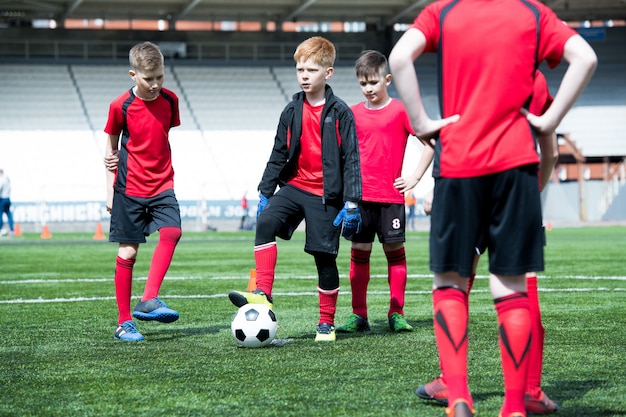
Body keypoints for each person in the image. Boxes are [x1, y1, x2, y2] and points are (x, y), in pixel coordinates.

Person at [389, 1, 597, 416]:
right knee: (513, 289)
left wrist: (423, 121)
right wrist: (549, 118)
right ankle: (516, 406)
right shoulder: (532, 13)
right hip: (516, 167)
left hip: (461, 163)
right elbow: (585, 57)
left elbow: (398, 57)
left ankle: (459, 396)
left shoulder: (444, 12)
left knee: (450, 282)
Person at [411, 71, 561, 415]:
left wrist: (438, 187)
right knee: (521, 289)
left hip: (464, 181)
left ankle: (454, 384)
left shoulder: (468, 67)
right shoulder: (532, 76)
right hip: (515, 179)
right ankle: (529, 391)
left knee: (454, 282)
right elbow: (548, 142)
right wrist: (537, 184)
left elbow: (449, 128)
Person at [227, 36, 362, 342]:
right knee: (265, 223)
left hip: (327, 195)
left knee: (324, 256)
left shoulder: (341, 113)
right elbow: (278, 152)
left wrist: (352, 201)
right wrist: (265, 192)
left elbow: (352, 159)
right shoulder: (291, 111)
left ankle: (326, 322)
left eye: (311, 70)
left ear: (328, 73)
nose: (303, 75)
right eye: (300, 69)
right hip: (296, 186)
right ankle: (262, 291)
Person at [335, 50, 433, 334]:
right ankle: (359, 315)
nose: (368, 89)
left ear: (387, 80)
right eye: (363, 84)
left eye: (373, 83)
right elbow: (341, 154)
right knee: (359, 252)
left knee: (395, 253)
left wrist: (414, 177)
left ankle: (397, 313)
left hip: (390, 198)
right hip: (359, 199)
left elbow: (430, 144)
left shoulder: (401, 111)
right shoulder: (351, 114)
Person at [103, 41, 183, 342]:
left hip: (163, 183)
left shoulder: (171, 100)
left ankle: (149, 298)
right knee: (129, 251)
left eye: (160, 77)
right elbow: (111, 148)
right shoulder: (119, 106)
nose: (155, 84)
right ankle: (124, 322)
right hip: (129, 187)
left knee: (172, 231)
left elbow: (160, 137)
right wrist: (109, 189)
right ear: (133, 75)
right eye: (148, 79)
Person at [0, 169, 15, 237]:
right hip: (8, 198)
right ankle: (12, 231)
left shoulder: (1, 179)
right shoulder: (7, 179)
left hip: (2, 199)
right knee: (9, 215)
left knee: (0, 215)